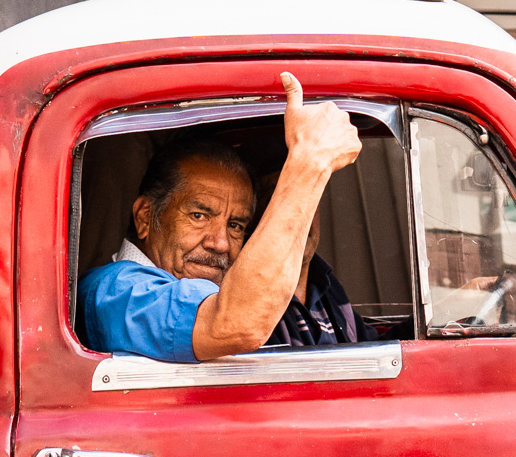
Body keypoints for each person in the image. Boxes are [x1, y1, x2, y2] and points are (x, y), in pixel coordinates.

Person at [78, 73, 361, 361]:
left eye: (235, 225)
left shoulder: (201, 289)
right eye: (199, 216)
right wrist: (310, 161)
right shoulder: (117, 291)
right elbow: (238, 325)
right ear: (145, 217)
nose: (220, 243)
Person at [261, 170, 361, 347]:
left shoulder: (326, 283)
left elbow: (371, 347)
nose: (301, 217)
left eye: (309, 198)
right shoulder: (249, 299)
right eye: (281, 199)